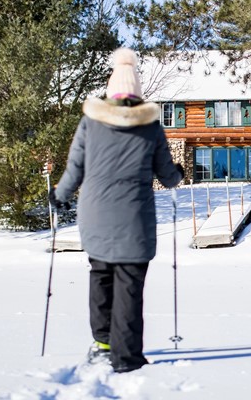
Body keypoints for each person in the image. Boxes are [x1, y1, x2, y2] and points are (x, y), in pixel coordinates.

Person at [51, 48, 183, 374]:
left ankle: (103, 343)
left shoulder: (89, 124)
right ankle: (127, 357)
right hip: (134, 220)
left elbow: (75, 169)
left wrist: (59, 195)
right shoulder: (150, 128)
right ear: (138, 94)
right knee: (130, 286)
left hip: (95, 215)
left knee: (100, 277)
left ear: (110, 92)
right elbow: (167, 176)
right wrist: (178, 172)